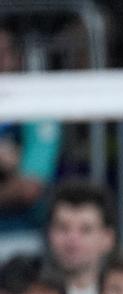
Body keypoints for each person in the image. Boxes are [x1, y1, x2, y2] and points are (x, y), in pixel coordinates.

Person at [0, 24, 62, 259]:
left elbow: (28, 188)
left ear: (16, 59)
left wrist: (14, 165)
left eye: (3, 53)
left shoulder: (36, 109)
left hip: (20, 238)